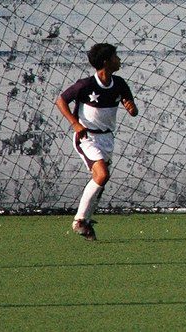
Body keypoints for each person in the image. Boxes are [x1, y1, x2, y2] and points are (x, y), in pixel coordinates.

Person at [56, 42, 138, 241]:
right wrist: (75, 124)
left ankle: (85, 222)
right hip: (87, 137)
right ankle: (79, 220)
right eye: (115, 57)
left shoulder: (119, 83)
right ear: (106, 61)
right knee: (102, 175)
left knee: (101, 180)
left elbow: (133, 110)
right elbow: (61, 101)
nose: (119, 60)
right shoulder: (85, 85)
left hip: (107, 138)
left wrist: (131, 107)